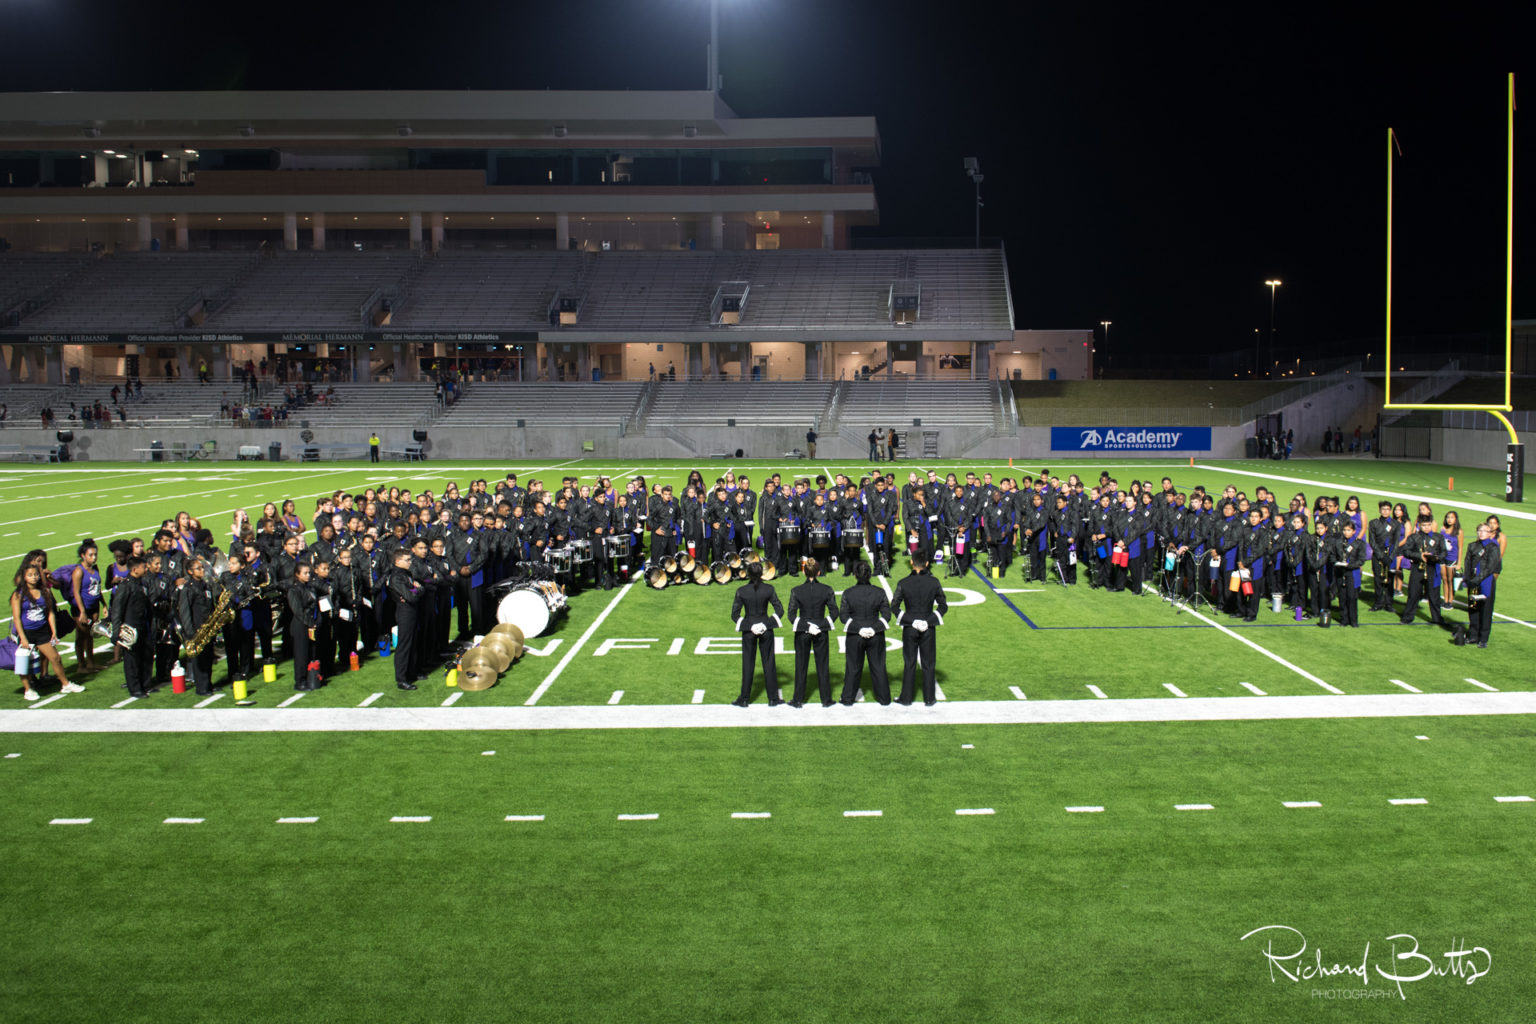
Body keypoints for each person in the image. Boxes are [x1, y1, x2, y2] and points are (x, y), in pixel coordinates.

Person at [11, 562, 83, 702]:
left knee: (55, 658)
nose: (34, 577)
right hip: (27, 632)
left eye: (36, 574)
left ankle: (65, 684)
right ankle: (28, 689)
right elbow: (17, 618)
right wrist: (23, 638)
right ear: (24, 577)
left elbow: (50, 613)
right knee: (24, 662)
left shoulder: (45, 591)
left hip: (42, 631)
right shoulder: (18, 594)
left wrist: (54, 631)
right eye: (30, 575)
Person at [892, 555, 948, 706]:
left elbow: (894, 607)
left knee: (909, 662)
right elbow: (943, 606)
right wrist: (927, 621)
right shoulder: (934, 582)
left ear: (911, 562)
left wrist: (912, 621)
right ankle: (929, 698)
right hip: (928, 628)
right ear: (927, 563)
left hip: (910, 628)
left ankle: (906, 698)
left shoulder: (904, 583)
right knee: (928, 663)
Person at [730, 561, 783, 707]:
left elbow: (734, 615)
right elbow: (780, 611)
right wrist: (764, 625)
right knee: (769, 662)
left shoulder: (741, 591)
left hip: (748, 632)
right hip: (766, 630)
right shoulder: (769, 589)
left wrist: (750, 626)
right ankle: (773, 698)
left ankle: (744, 698)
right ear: (762, 573)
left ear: (748, 574)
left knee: (748, 664)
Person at [838, 561, 891, 705]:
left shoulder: (848, 593)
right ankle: (884, 699)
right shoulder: (880, 592)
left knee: (853, 668)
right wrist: (873, 629)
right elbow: (887, 616)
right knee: (878, 667)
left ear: (855, 575)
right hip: (876, 636)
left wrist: (859, 629)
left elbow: (843, 617)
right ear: (869, 574)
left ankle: (848, 699)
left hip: (855, 636)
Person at [787, 558, 837, 708]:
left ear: (803, 572)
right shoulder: (827, 590)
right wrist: (819, 626)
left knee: (801, 665)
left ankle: (797, 700)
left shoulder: (796, 591)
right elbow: (834, 613)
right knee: (822, 665)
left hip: (802, 632)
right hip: (821, 632)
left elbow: (791, 615)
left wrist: (807, 627)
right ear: (819, 573)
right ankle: (826, 699)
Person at [176, 557, 219, 696]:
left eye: (202, 567)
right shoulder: (188, 589)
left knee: (208, 657)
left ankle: (208, 684)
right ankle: (201, 687)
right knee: (199, 660)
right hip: (196, 629)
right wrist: (190, 632)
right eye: (198, 568)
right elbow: (185, 611)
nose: (202, 570)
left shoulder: (206, 585)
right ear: (190, 571)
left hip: (208, 627)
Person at [1399, 515, 1447, 626]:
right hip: (1417, 569)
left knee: (1434, 596)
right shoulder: (1414, 537)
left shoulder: (1438, 537)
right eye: (1424, 525)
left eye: (1428, 525)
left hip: (1432, 569)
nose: (1426, 527)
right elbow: (1406, 551)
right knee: (1413, 594)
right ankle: (1408, 617)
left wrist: (1436, 557)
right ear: (1419, 525)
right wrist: (1420, 555)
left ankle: (1437, 618)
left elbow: (1444, 552)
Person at [386, 549, 421, 689]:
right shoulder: (396, 577)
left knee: (413, 642)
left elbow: (418, 589)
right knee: (404, 644)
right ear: (397, 561)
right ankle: (401, 679)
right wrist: (415, 589)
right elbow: (411, 595)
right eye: (407, 560)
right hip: (404, 611)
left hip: (411, 609)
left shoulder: (406, 574)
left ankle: (411, 672)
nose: (410, 562)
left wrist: (415, 589)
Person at [1463, 522, 1501, 648]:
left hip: (1486, 582)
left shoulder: (1493, 547)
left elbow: (1490, 567)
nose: (1481, 533)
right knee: (1473, 608)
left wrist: (1477, 579)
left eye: (1484, 530)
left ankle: (1483, 638)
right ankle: (1473, 635)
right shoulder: (1472, 546)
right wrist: (1467, 579)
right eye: (1479, 530)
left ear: (1490, 533)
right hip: (1473, 582)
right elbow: (1468, 564)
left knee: (1485, 610)